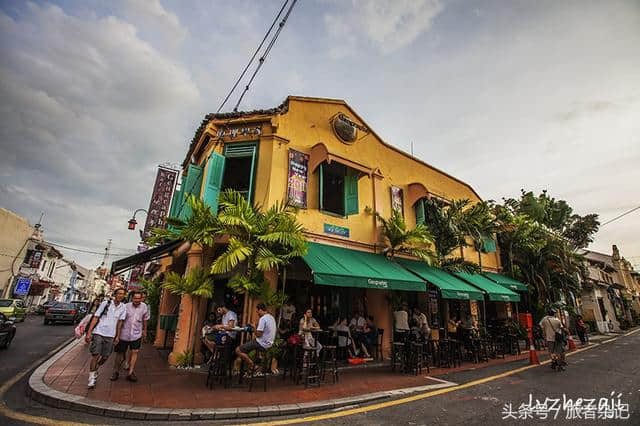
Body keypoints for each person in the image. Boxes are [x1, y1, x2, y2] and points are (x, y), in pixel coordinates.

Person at [84, 288, 127, 389]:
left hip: (111, 335)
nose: (121, 296)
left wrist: (117, 336)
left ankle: (96, 369)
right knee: (95, 355)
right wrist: (89, 332)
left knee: (105, 357)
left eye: (123, 294)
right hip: (99, 332)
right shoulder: (106, 303)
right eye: (119, 294)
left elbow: (120, 322)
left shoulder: (123, 307)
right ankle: (91, 377)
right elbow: (96, 317)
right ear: (114, 294)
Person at [111, 291, 149, 382]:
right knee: (120, 354)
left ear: (141, 298)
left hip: (136, 334)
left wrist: (144, 331)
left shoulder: (144, 307)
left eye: (139, 298)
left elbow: (145, 319)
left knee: (135, 352)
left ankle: (131, 372)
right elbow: (120, 321)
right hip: (124, 334)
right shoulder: (126, 306)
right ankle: (116, 371)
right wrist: (117, 335)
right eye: (135, 298)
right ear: (132, 298)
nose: (137, 300)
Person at [235, 303, 276, 373]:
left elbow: (258, 335)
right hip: (269, 344)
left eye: (257, 312)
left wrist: (254, 327)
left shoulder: (263, 319)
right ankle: (255, 362)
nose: (257, 314)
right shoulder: (271, 317)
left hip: (261, 344)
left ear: (260, 310)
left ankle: (253, 365)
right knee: (250, 344)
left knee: (238, 350)